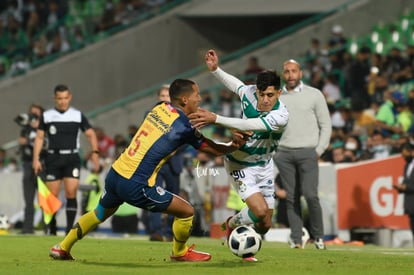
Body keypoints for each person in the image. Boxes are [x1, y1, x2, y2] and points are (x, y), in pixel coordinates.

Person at [49, 78, 247, 261]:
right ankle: (179, 252)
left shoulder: (160, 108)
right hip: (136, 184)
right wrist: (233, 145)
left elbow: (187, 116)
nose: (200, 98)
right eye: (197, 95)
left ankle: (62, 247)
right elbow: (211, 149)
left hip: (116, 173)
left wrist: (220, 123)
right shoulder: (183, 127)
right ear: (185, 99)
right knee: (186, 211)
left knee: (99, 213)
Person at [189, 49, 289, 261]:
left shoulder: (281, 116)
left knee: (265, 225)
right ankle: (233, 226)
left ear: (279, 93)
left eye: (270, 95)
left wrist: (215, 118)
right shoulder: (250, 94)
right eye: (261, 94)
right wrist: (216, 70)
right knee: (260, 211)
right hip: (240, 163)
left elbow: (248, 124)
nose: (264, 100)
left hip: (264, 165)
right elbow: (237, 86)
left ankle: (237, 226)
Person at [273, 59, 332, 249]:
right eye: (287, 71)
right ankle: (297, 239)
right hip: (284, 153)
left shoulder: (314, 95)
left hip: (308, 152)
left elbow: (326, 125)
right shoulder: (277, 97)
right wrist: (275, 151)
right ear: (283, 74)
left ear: (301, 73)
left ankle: (318, 236)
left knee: (310, 195)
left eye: (294, 71)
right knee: (291, 197)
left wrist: (319, 150)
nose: (290, 75)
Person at [32, 84, 100, 235]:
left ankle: (70, 230)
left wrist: (95, 154)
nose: (62, 101)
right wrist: (35, 159)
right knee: (52, 196)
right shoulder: (47, 116)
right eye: (59, 98)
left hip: (72, 157)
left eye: (65, 98)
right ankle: (53, 229)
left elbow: (91, 134)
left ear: (70, 97)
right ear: (54, 98)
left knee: (71, 193)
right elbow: (39, 137)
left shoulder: (77, 115)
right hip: (53, 157)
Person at [146, 84, 185, 242]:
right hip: (156, 163)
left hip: (173, 163)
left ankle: (170, 232)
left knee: (174, 198)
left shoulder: (181, 116)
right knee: (153, 195)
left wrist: (175, 149)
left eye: (167, 96)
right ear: (158, 98)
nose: (164, 99)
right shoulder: (151, 114)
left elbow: (185, 138)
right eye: (162, 96)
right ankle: (156, 232)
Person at [17, 104, 45, 234]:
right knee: (28, 199)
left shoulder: (45, 126)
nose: (33, 115)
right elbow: (21, 142)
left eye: (36, 113)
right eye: (32, 113)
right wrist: (28, 130)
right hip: (28, 164)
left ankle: (48, 227)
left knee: (44, 198)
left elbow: (47, 144)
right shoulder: (26, 128)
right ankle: (28, 228)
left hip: (42, 164)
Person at [393, 142, 414, 241]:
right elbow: (407, 181)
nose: (403, 156)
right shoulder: (407, 165)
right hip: (410, 205)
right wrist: (400, 187)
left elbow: (409, 185)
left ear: (412, 152)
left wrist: (406, 187)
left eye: (404, 153)